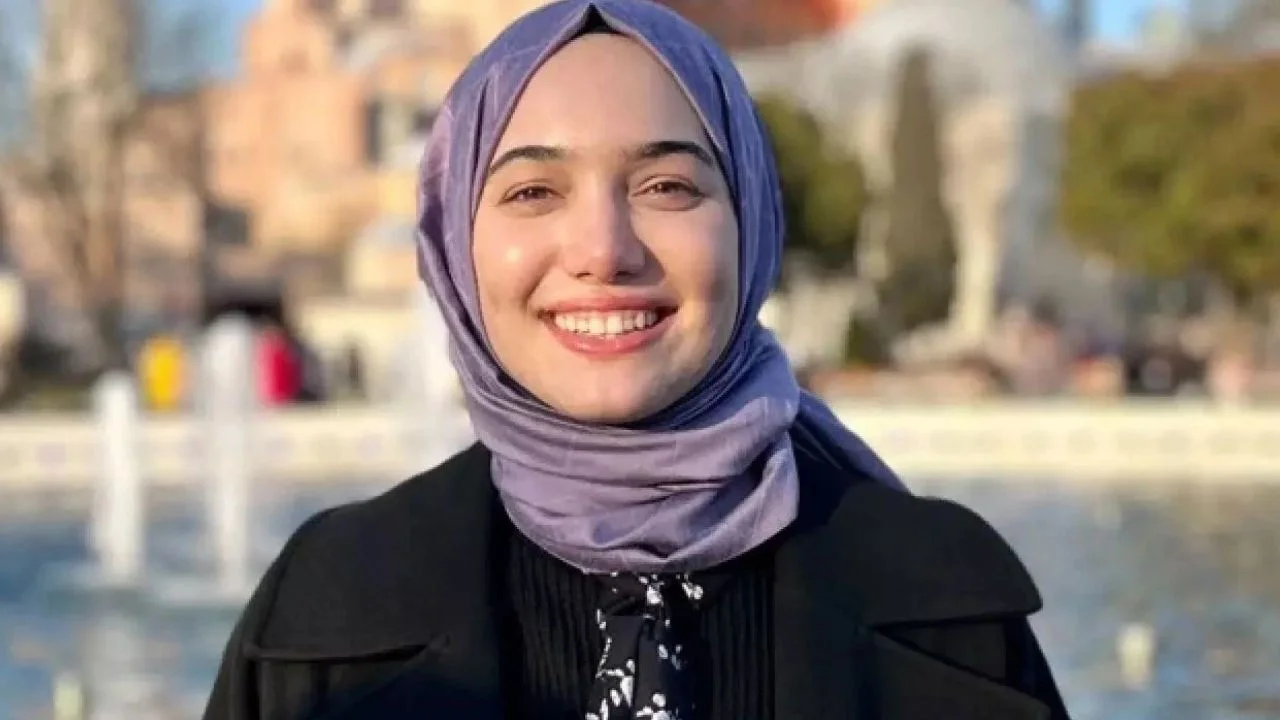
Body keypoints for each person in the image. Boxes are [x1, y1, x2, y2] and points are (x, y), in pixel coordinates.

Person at [203, 2, 1070, 718]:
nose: (603, 250)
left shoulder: (945, 606)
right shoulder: (326, 614)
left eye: (666, 187)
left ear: (751, 222)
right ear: (455, 243)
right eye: (533, 191)